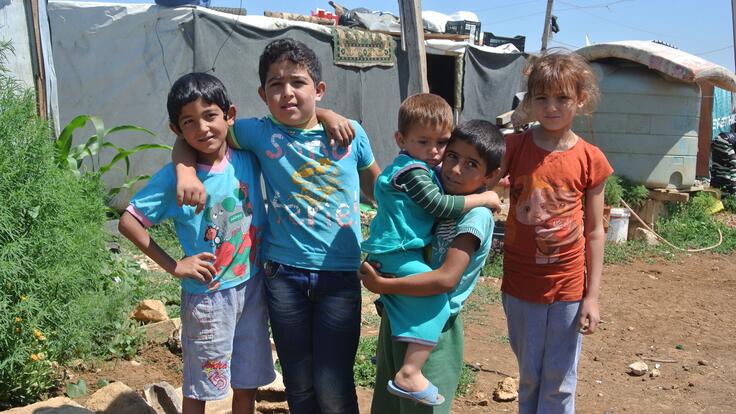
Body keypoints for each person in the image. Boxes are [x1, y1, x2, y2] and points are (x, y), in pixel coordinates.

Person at [172, 38, 381, 414]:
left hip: (339, 275)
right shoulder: (257, 132)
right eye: (276, 85)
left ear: (318, 89)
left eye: (298, 82)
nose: (287, 93)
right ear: (263, 94)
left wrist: (331, 115)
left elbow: (380, 192)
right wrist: (185, 170)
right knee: (299, 384)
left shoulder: (351, 135)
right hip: (283, 275)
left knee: (334, 385)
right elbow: (198, 135)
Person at [118, 73, 274, 414]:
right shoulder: (175, 180)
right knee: (199, 387)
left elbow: (283, 122)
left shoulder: (246, 157)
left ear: (229, 115)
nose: (203, 128)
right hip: (208, 298)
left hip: (252, 288)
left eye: (210, 116)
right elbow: (129, 221)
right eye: (189, 122)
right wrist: (175, 265)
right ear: (177, 130)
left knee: (246, 382)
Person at [493, 49, 613, 413]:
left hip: (568, 286)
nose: (552, 107)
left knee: (560, 381)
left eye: (562, 98)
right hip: (520, 283)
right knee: (529, 376)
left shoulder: (590, 158)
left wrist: (591, 297)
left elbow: (594, 230)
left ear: (581, 99)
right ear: (529, 101)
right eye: (541, 98)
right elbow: (478, 179)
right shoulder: (514, 147)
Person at [361, 94, 500, 406]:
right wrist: (484, 195)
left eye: (471, 164)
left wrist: (383, 286)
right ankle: (407, 369)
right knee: (389, 405)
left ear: (491, 175)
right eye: (452, 157)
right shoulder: (418, 173)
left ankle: (410, 370)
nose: (451, 167)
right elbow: (437, 203)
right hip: (405, 301)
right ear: (402, 139)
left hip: (436, 323)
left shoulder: (474, 216)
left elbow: (445, 280)